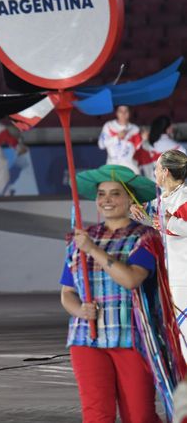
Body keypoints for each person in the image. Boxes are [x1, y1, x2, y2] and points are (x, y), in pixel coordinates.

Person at [60, 164, 185, 422]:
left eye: (115, 193)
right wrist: (79, 309)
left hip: (132, 338)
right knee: (96, 415)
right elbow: (67, 292)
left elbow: (131, 279)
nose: (107, 200)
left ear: (130, 199)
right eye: (102, 194)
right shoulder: (82, 238)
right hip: (86, 340)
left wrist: (93, 250)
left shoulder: (145, 237)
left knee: (139, 416)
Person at [154, 150, 187, 354]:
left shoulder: (184, 197)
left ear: (165, 171)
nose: (154, 172)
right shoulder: (165, 197)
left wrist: (167, 221)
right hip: (170, 275)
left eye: (156, 168)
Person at [98, 105, 142, 173]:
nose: (123, 114)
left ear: (129, 113)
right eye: (120, 111)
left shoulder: (135, 129)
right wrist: (117, 137)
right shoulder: (109, 126)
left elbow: (138, 147)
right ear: (116, 113)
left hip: (130, 167)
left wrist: (143, 138)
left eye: (126, 111)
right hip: (112, 166)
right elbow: (101, 145)